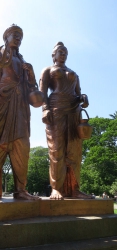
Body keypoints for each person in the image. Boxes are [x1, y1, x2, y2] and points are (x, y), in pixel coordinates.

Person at [0, 24, 41, 201]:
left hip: (20, 107)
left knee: (22, 146)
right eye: (15, 34)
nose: (18, 38)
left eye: (20, 35)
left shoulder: (23, 61)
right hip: (0, 102)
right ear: (6, 37)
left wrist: (31, 74)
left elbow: (31, 88)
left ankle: (21, 190)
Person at [39, 42, 92, 199]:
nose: (63, 54)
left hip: (74, 112)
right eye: (60, 51)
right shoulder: (48, 70)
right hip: (56, 110)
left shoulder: (73, 73)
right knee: (57, 150)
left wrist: (84, 99)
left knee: (74, 152)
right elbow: (42, 92)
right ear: (53, 55)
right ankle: (56, 188)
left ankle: (74, 188)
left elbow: (79, 93)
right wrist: (45, 109)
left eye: (65, 52)